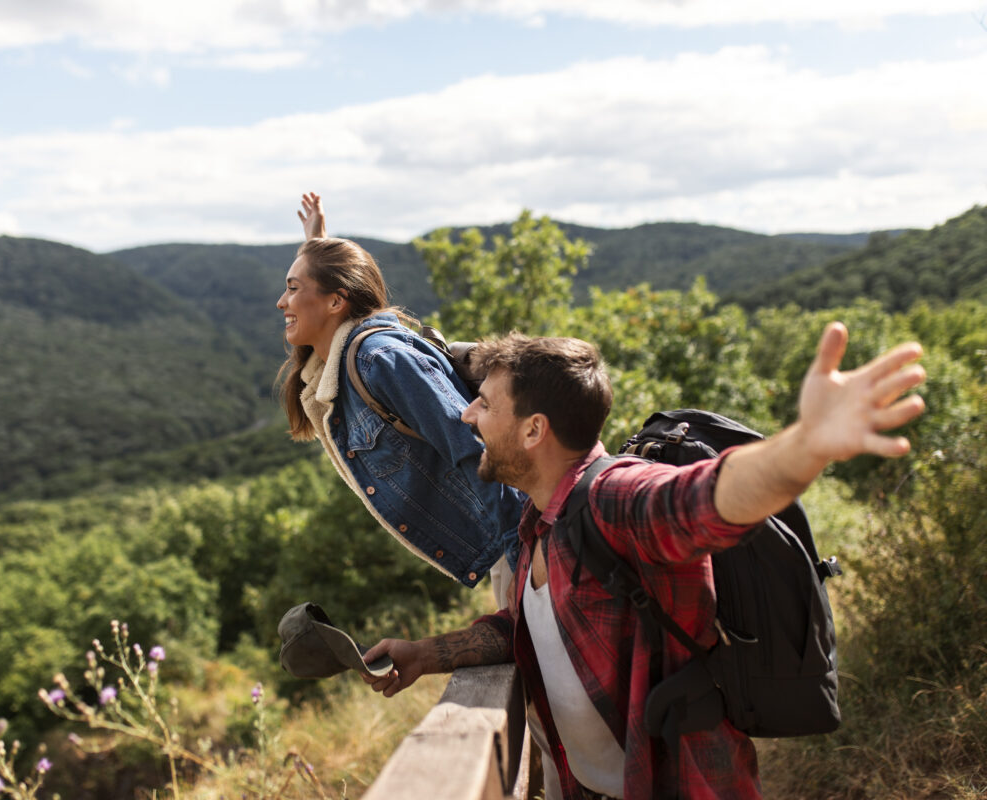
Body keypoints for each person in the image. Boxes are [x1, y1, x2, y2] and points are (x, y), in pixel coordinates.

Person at [360, 324, 926, 799]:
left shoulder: (615, 498)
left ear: (534, 430)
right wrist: (427, 654)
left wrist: (807, 445)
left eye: (485, 404)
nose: (466, 416)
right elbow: (534, 625)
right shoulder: (538, 521)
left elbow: (707, 499)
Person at [275, 192, 524, 599]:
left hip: (519, 533)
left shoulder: (382, 360)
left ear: (337, 301)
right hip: (505, 541)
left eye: (292, 288)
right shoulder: (334, 369)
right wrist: (316, 242)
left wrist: (523, 550)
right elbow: (328, 300)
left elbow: (473, 448)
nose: (281, 301)